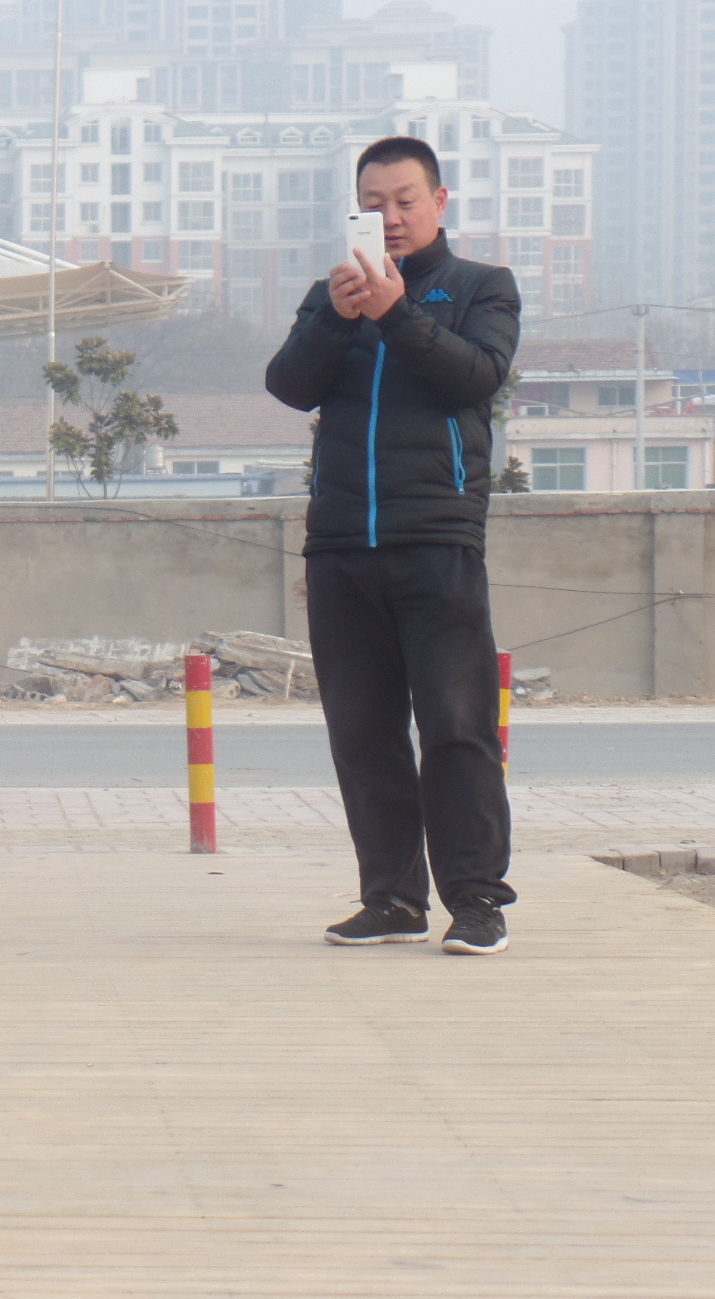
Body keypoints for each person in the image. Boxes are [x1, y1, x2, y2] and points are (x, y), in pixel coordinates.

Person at [266, 135, 521, 955]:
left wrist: (393, 311)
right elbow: (288, 385)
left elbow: (476, 377)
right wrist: (340, 320)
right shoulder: (329, 295)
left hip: (436, 539)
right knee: (363, 730)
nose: (390, 217)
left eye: (405, 200)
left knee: (455, 726)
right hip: (340, 544)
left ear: (439, 202)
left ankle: (477, 900)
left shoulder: (482, 287)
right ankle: (392, 898)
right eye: (372, 204)